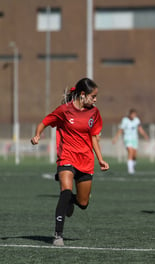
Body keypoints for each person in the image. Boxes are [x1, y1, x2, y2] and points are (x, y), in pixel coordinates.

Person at [31, 77, 109, 246]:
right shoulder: (64, 111)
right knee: (65, 191)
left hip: (86, 160)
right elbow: (44, 122)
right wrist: (37, 135)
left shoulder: (94, 113)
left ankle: (71, 201)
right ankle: (58, 235)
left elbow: (94, 138)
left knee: (83, 203)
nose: (95, 100)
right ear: (83, 95)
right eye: (93, 96)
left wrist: (101, 159)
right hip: (66, 157)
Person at [112, 108, 149, 174]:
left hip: (134, 139)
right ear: (130, 114)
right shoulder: (125, 120)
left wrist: (145, 135)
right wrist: (116, 138)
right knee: (130, 152)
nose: (134, 116)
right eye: (133, 114)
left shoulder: (137, 120)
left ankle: (132, 166)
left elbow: (140, 129)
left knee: (134, 155)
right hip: (127, 138)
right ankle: (130, 169)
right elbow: (121, 130)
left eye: (135, 115)